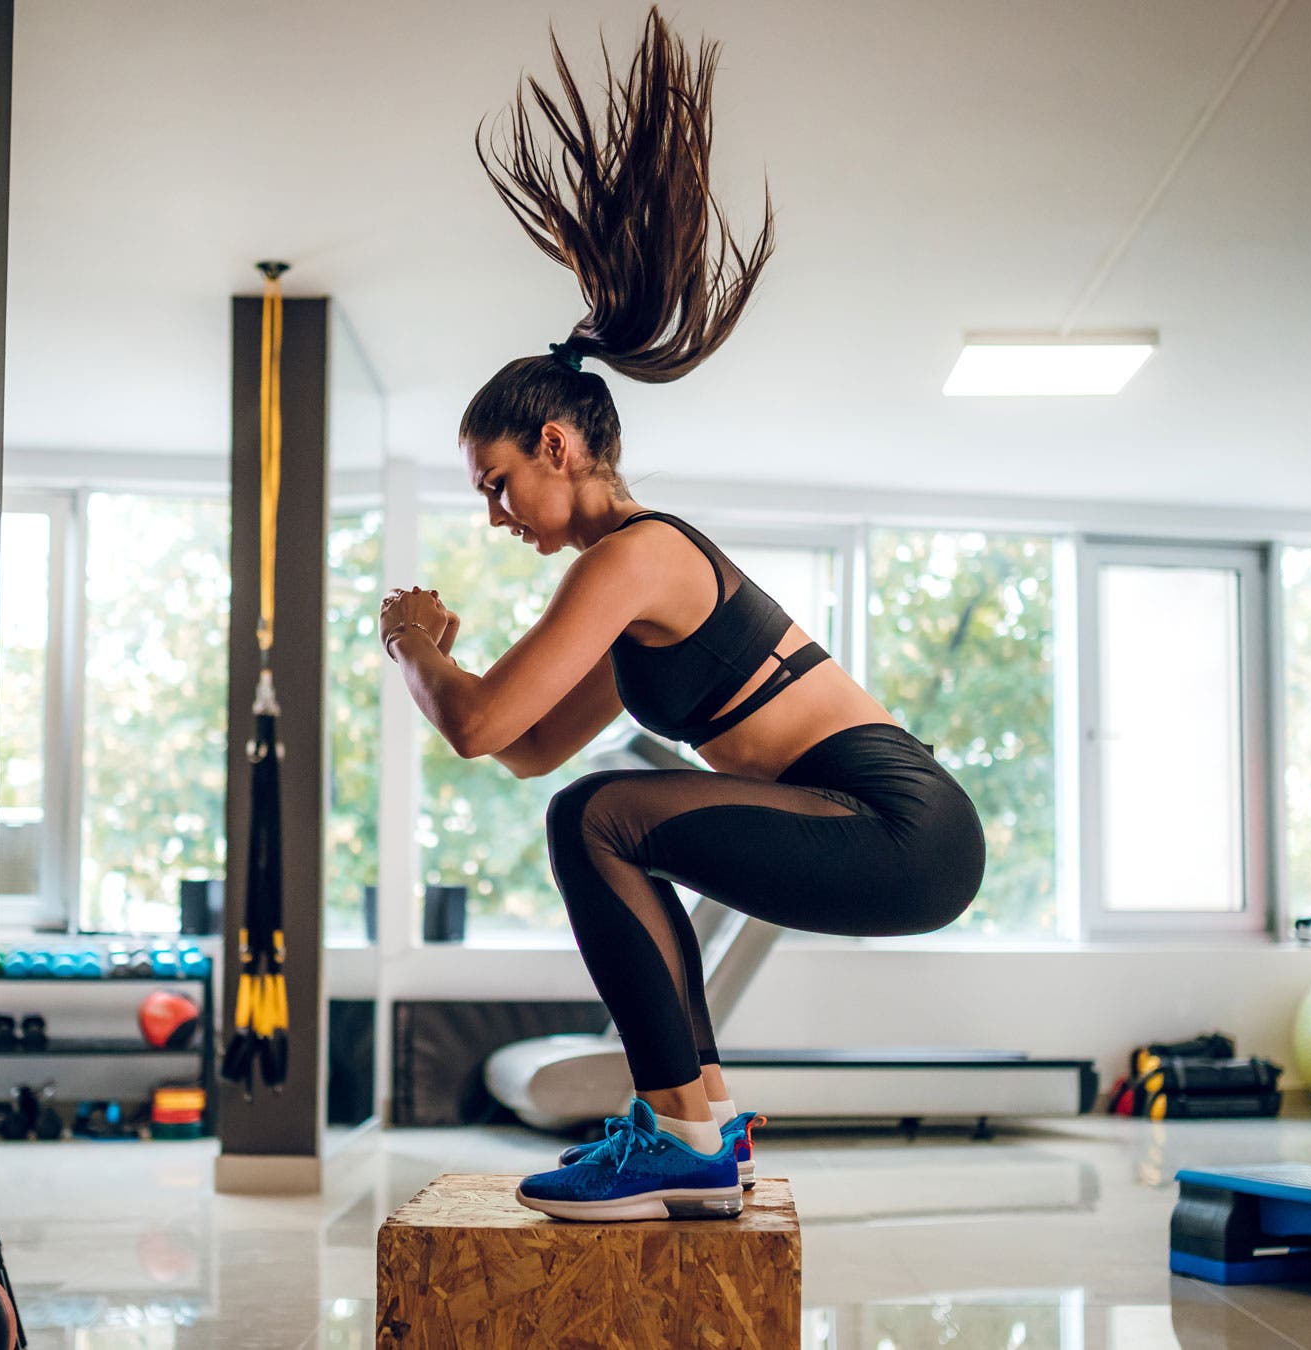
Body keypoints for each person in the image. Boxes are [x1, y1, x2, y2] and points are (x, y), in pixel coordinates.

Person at [378, 8, 986, 1222]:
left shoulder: (638, 555)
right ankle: (700, 1132)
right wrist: (444, 668)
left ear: (559, 445)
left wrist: (413, 645)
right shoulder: (636, 590)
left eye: (500, 481)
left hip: (898, 824)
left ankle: (680, 1130)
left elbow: (478, 720)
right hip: (872, 822)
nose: (499, 513)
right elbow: (524, 744)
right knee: (589, 807)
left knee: (598, 816)